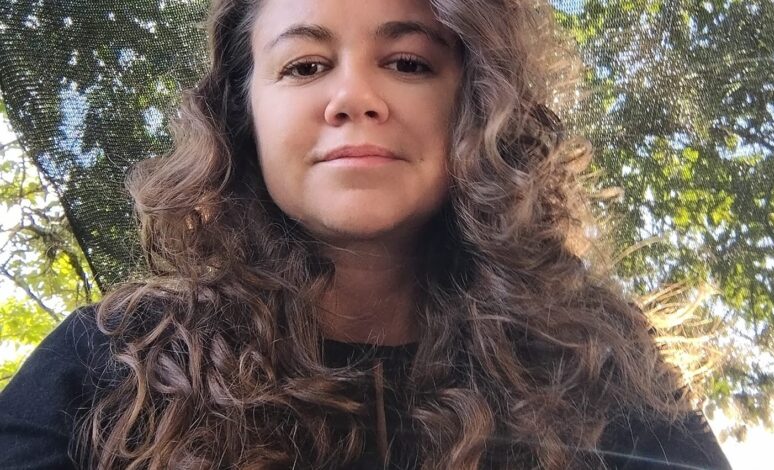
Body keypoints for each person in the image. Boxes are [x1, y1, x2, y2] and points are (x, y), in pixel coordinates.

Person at [0, 0, 732, 468]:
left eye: (408, 63)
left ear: (477, 103)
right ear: (241, 117)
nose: (354, 96)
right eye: (305, 66)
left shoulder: (599, 367)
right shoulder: (109, 359)